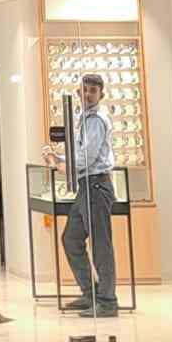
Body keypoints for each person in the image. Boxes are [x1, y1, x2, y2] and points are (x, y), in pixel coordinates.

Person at [45, 73, 117, 317]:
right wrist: (59, 157)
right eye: (85, 90)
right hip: (86, 186)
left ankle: (107, 301)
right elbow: (81, 152)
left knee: (101, 245)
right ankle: (91, 293)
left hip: (96, 186)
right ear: (78, 92)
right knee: (71, 238)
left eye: (93, 91)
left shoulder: (95, 120)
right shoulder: (84, 118)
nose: (88, 94)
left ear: (101, 94)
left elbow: (88, 156)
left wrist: (63, 166)